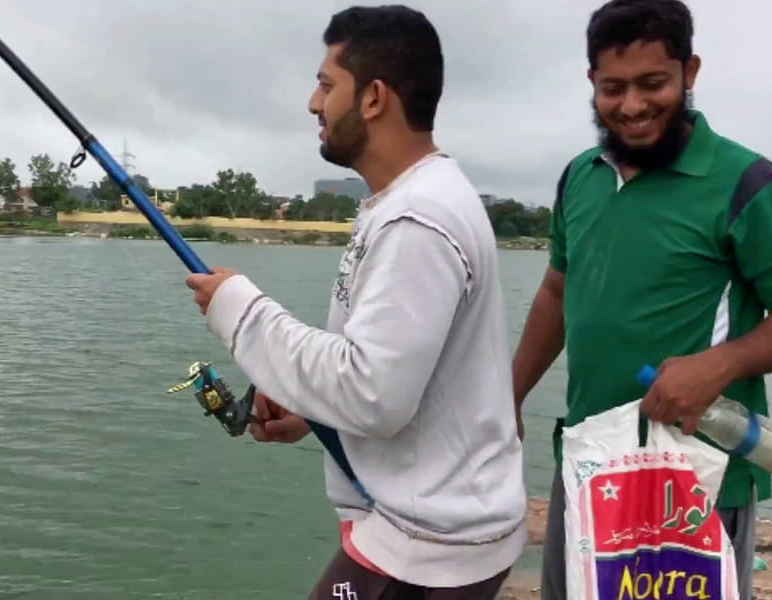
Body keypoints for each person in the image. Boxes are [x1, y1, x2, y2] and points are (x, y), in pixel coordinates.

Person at [185, 5, 526, 600]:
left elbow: (374, 393)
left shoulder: (419, 220)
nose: (313, 103)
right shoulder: (407, 203)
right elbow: (398, 377)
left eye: (325, 84)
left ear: (372, 97)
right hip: (424, 530)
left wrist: (240, 310)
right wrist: (311, 409)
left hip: (429, 547)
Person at [510, 1, 772, 599]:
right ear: (591, 82)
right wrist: (509, 393)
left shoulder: (748, 183)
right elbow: (557, 288)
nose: (632, 106)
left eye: (653, 84)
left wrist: (718, 366)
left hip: (696, 476)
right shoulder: (579, 176)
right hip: (591, 464)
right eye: (612, 88)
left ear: (689, 72)